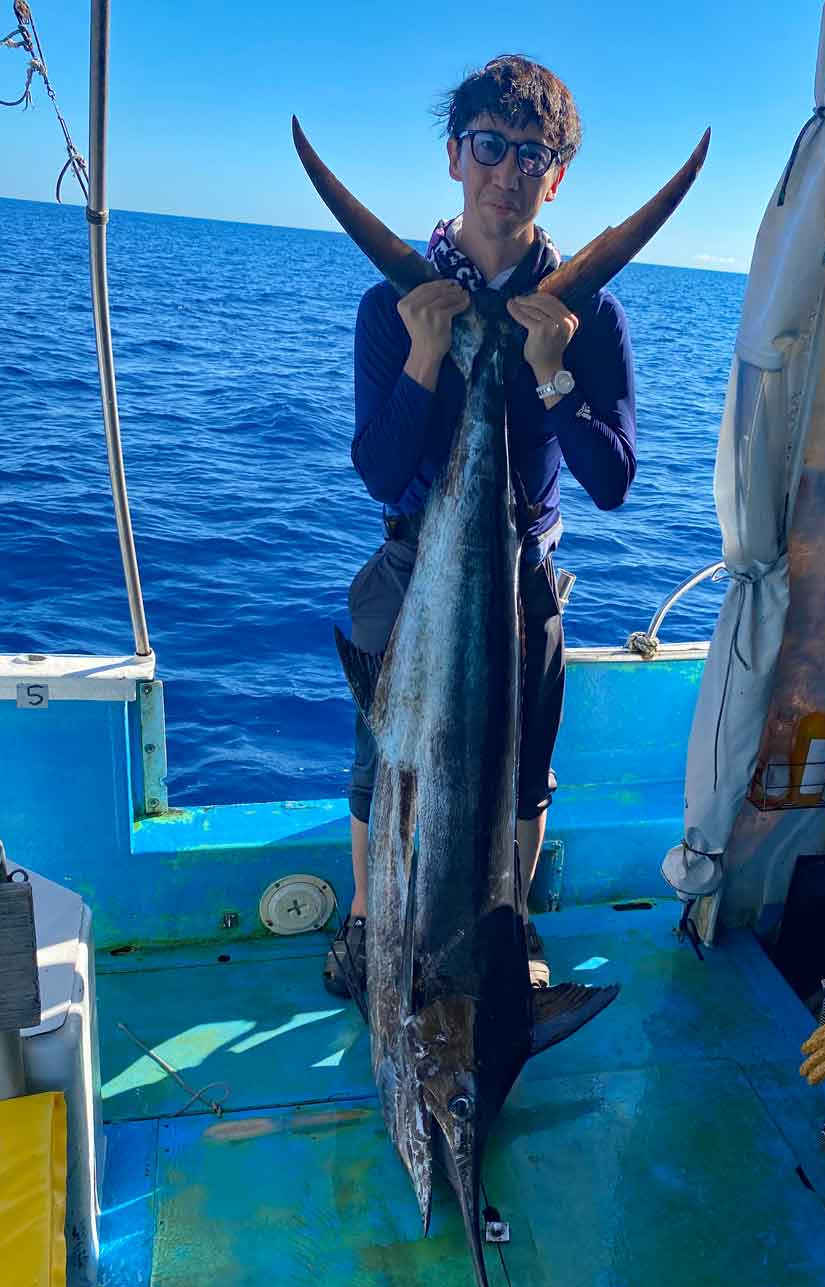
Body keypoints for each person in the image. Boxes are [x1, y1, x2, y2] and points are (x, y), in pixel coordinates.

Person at [324, 54, 636, 997]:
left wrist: (551, 370)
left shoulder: (590, 315)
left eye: (531, 153)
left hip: (521, 574)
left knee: (523, 773)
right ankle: (366, 922)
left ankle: (512, 924)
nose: (509, 171)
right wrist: (426, 355)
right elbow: (377, 467)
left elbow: (612, 483)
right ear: (457, 156)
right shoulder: (395, 308)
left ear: (558, 174)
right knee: (384, 764)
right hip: (412, 563)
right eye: (491, 146)